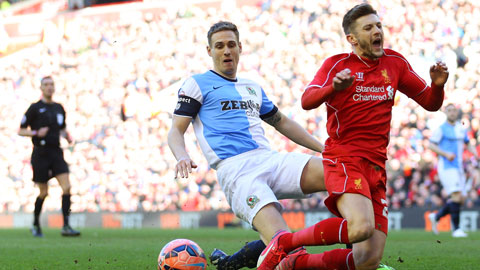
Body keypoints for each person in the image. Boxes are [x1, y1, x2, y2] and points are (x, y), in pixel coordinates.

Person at [257, 3, 449, 270]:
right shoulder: (337, 65)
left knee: (367, 260)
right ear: (352, 38)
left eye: (378, 25)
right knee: (360, 227)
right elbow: (306, 100)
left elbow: (430, 102)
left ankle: (296, 264)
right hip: (345, 158)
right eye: (368, 27)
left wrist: (438, 87)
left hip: (377, 165)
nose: (377, 31)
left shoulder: (395, 63)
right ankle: (283, 243)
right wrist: (332, 87)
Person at [167, 20, 326, 268]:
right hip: (237, 171)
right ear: (210, 51)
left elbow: (281, 122)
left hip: (270, 159)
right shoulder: (197, 84)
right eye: (219, 46)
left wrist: (325, 149)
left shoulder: (252, 87)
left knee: (342, 173)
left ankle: (364, 260)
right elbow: (176, 131)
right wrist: (181, 155)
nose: (226, 50)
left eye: (231, 45)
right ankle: (238, 260)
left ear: (240, 47)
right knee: (289, 252)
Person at [18, 76, 81, 237]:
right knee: (43, 192)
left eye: (52, 84)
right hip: (41, 153)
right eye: (46, 84)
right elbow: (21, 130)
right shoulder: (34, 108)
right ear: (41, 88)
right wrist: (35, 132)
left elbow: (61, 128)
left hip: (56, 152)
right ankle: (35, 223)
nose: (49, 87)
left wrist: (67, 135)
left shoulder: (59, 108)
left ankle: (66, 226)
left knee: (67, 187)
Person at [428, 103, 478, 238]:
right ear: (446, 113)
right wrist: (445, 154)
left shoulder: (460, 129)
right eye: (449, 110)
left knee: (461, 199)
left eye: (454, 110)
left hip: (459, 167)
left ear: (457, 112)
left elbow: (468, 144)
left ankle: (436, 217)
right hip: (447, 166)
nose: (452, 113)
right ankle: (456, 229)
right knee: (456, 195)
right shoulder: (441, 129)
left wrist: (476, 156)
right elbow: (431, 145)